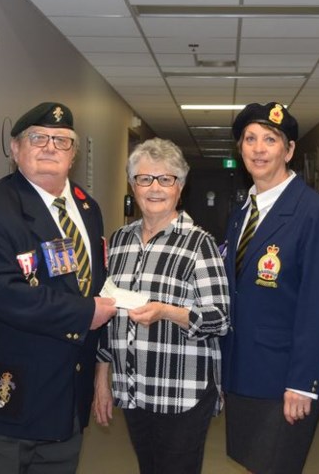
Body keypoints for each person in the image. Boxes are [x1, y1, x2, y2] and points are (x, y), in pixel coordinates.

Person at [0, 101, 117, 474]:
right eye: (37, 138)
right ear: (15, 149)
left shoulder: (88, 208)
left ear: (73, 155)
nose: (50, 147)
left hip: (66, 392)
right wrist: (87, 313)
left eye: (61, 140)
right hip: (6, 391)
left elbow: (92, 282)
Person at [93, 138, 230, 474]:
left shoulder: (200, 244)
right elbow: (109, 314)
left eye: (166, 179)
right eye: (144, 178)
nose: (154, 188)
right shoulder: (120, 240)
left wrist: (166, 311)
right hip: (134, 389)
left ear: (179, 187)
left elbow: (220, 319)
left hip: (181, 392)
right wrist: (102, 380)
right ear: (133, 185)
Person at [221, 102, 319, 474]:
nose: (258, 148)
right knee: (253, 465)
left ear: (288, 150)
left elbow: (316, 303)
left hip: (284, 379)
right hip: (243, 371)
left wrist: (304, 383)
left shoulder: (314, 213)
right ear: (240, 149)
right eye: (250, 139)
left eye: (270, 140)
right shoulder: (244, 211)